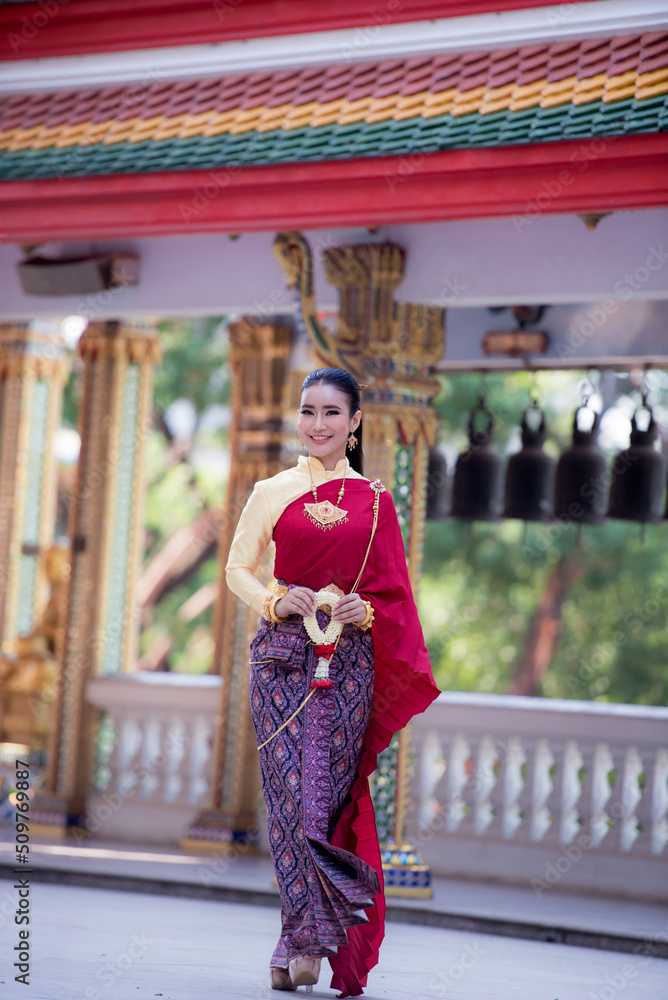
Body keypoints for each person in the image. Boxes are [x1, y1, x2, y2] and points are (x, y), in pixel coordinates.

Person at [225, 367, 440, 997]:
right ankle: (302, 933)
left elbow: (391, 590)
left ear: (354, 423)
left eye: (330, 413)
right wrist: (274, 601)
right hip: (280, 662)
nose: (317, 425)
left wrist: (363, 610)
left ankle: (299, 939)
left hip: (347, 666)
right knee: (289, 795)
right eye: (308, 411)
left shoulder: (375, 501)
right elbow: (238, 568)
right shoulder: (271, 490)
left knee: (325, 798)